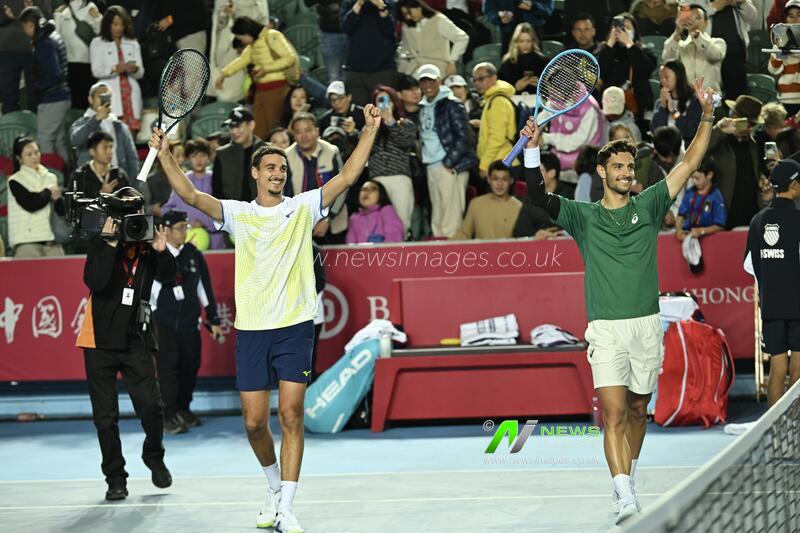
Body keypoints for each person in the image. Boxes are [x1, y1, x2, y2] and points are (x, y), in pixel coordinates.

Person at [148, 101, 384, 533]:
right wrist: (165, 154)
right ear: (256, 174)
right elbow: (189, 195)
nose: (277, 173)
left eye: (281, 168)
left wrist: (369, 130)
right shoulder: (239, 214)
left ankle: (288, 506)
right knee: (255, 423)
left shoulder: (304, 207)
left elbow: (348, 175)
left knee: (291, 415)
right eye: (270, 167)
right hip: (253, 329)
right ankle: (273, 488)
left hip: (295, 325)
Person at [522, 78, 717, 523]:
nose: (628, 172)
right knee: (612, 412)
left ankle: (626, 473)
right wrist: (532, 148)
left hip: (647, 326)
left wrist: (706, 114)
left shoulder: (648, 205)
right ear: (604, 173)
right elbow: (535, 196)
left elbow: (689, 161)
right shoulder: (582, 215)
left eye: (632, 166)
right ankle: (623, 492)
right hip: (606, 330)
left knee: (636, 410)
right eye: (620, 167)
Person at [75, 187, 175, 501]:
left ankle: (154, 455)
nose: (129, 223)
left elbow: (170, 278)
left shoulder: (146, 243)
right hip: (98, 341)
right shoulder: (99, 241)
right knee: (105, 417)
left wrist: (161, 250)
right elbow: (97, 283)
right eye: (122, 218)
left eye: (134, 216)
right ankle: (115, 478)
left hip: (136, 338)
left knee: (151, 405)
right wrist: (109, 243)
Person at [151, 210, 222, 434]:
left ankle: (183, 408)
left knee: (190, 367)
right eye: (180, 228)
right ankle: (168, 414)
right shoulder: (156, 255)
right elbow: (150, 292)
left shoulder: (193, 254)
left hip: (190, 324)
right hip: (164, 324)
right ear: (166, 231)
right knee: (168, 370)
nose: (184, 232)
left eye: (186, 227)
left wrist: (213, 318)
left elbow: (204, 287)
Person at [743, 159, 800, 405]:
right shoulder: (798, 219)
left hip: (771, 306)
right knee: (797, 372)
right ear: (795, 185)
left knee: (777, 370)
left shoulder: (757, 221)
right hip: (798, 306)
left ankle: (776, 435)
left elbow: (748, 265)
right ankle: (795, 433)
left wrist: (769, 281)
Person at [416, 63, 477, 237]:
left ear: (439, 81)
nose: (427, 85)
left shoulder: (451, 104)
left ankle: (452, 258)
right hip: (431, 165)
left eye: (431, 81)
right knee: (438, 216)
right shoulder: (422, 107)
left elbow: (465, 137)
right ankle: (438, 257)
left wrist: (449, 163)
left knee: (452, 219)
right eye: (423, 81)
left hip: (449, 165)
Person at [215, 16, 299, 140]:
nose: (242, 41)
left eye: (241, 37)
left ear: (247, 32)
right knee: (259, 131)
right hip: (261, 92)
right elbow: (241, 61)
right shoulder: (252, 47)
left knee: (274, 127)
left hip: (277, 89)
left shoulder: (272, 36)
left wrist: (266, 68)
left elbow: (289, 58)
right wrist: (223, 75)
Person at [19, 7, 72, 163]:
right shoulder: (53, 35)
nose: (25, 32)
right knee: (59, 141)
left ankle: (52, 178)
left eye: (24, 27)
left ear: (30, 24)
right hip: (62, 96)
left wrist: (37, 87)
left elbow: (54, 73)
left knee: (45, 140)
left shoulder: (44, 43)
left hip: (52, 99)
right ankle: (67, 179)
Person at [286, 112, 348, 243]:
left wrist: (328, 219)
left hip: (332, 225)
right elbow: (284, 194)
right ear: (294, 135)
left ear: (317, 131)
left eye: (308, 130)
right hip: (298, 227)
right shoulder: (286, 157)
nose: (304, 136)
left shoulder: (331, 151)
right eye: (298, 132)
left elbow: (342, 187)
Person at [707, 94, 763, 229]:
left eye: (752, 125)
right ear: (734, 117)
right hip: (726, 209)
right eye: (746, 123)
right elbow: (698, 151)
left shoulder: (754, 145)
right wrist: (719, 130)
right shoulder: (720, 140)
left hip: (751, 211)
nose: (749, 128)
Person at [368, 85, 417, 234]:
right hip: (376, 180)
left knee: (401, 222)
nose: (385, 104)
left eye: (389, 100)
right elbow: (365, 149)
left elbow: (406, 142)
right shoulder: (370, 127)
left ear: (395, 102)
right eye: (380, 100)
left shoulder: (405, 123)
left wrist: (390, 121)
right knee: (375, 223)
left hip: (399, 179)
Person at [162, 139, 227, 250]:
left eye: (202, 155)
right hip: (189, 240)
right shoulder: (183, 180)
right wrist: (185, 224)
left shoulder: (216, 179)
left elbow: (226, 210)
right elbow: (167, 210)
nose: (199, 160)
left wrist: (206, 224)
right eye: (194, 156)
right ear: (188, 158)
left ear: (208, 157)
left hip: (216, 241)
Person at [90, 5, 144, 133]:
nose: (119, 28)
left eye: (122, 25)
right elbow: (96, 70)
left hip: (130, 94)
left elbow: (141, 73)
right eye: (115, 24)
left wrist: (134, 69)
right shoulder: (97, 43)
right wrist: (114, 68)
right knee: (111, 134)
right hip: (110, 94)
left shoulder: (133, 43)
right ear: (108, 25)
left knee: (132, 135)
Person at [596, 13, 657, 128]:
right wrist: (609, 45)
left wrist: (629, 44)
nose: (622, 31)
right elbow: (598, 71)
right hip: (609, 109)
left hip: (637, 109)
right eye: (618, 28)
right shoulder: (605, 51)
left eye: (627, 28)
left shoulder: (644, 51)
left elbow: (644, 69)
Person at [7, 137, 64, 258]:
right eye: (29, 154)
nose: (34, 157)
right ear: (19, 158)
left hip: (51, 239)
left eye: (36, 152)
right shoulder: (15, 180)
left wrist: (58, 199)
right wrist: (48, 191)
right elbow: (30, 204)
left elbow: (60, 210)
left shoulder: (51, 177)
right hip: (26, 242)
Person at [71, 82, 140, 181]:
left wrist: (133, 185)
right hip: (92, 182)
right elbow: (77, 140)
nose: (104, 99)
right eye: (101, 96)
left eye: (108, 96)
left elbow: (132, 159)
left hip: (118, 181)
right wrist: (96, 119)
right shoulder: (81, 123)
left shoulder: (120, 126)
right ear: (91, 99)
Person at [340, 0, 399, 106]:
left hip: (382, 71)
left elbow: (390, 29)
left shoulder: (389, 3)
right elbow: (345, 26)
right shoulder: (349, 3)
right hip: (355, 71)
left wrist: (381, 7)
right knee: (358, 113)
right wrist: (359, 4)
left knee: (383, 110)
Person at [209, 0, 269, 102]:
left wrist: (236, 13)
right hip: (222, 49)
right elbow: (217, 24)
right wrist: (223, 14)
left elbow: (260, 19)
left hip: (244, 49)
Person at [451, 160, 522, 240]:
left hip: (510, 251)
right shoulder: (476, 204)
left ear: (511, 181)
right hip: (481, 252)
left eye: (504, 179)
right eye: (495, 179)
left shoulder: (519, 207)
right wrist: (445, 249)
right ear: (489, 180)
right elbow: (464, 233)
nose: (499, 183)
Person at [662, 4, 726, 92]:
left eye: (698, 18)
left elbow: (714, 56)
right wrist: (677, 32)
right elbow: (667, 60)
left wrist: (696, 34)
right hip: (688, 96)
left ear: (706, 23)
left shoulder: (718, 42)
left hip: (712, 96)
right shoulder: (681, 45)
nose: (694, 21)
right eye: (690, 18)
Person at [396, 0, 469, 77]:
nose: (408, 17)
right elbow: (404, 49)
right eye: (405, 14)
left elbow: (462, 38)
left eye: (409, 12)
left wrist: (452, 61)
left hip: (437, 72)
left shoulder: (438, 20)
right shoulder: (407, 25)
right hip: (413, 73)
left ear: (418, 7)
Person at [53, 0, 102, 110]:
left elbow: (101, 33)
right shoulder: (63, 10)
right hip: (68, 61)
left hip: (86, 61)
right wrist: (57, 16)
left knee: (85, 97)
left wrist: (97, 18)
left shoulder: (90, 7)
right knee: (72, 97)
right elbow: (57, 34)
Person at [473, 62, 518, 179]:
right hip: (501, 162)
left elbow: (497, 139)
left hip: (500, 166)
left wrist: (484, 165)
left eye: (481, 79)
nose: (477, 83)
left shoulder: (498, 102)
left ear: (494, 78)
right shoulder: (494, 99)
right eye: (475, 80)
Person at [513, 149, 570, 238]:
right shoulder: (530, 198)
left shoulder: (569, 196)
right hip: (539, 248)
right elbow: (519, 231)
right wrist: (537, 232)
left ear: (551, 173)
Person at [212, 106, 265, 201]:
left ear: (251, 125)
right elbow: (217, 192)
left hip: (265, 213)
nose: (234, 131)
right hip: (232, 213)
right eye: (231, 127)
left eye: (238, 126)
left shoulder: (268, 152)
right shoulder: (222, 154)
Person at [708, 0, 758, 100]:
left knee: (737, 98)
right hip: (708, 54)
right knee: (713, 98)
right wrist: (714, 7)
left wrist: (742, 2)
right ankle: (715, 114)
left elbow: (752, 17)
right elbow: (687, 15)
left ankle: (736, 114)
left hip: (735, 53)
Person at [651, 60, 703, 147]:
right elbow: (655, 131)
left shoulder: (694, 102)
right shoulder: (660, 103)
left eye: (666, 77)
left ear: (678, 77)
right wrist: (663, 107)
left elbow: (689, 131)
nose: (663, 81)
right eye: (661, 77)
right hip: (664, 150)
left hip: (685, 150)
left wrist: (674, 112)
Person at [674, 156, 727, 241]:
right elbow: (680, 217)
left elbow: (720, 226)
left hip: (709, 239)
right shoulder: (689, 193)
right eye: (692, 178)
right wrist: (679, 231)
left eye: (697, 178)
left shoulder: (716, 196)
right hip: (688, 236)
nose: (694, 181)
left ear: (709, 175)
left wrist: (702, 231)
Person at [497, 22, 548, 95]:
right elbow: (500, 87)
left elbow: (550, 90)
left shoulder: (542, 60)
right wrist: (515, 88)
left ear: (533, 42)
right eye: (521, 41)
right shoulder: (508, 62)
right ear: (516, 42)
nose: (525, 45)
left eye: (528, 41)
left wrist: (541, 86)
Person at [768, 0, 800, 116]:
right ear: (786, 19)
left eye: (799, 15)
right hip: (786, 98)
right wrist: (780, 52)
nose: (795, 19)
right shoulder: (780, 39)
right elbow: (773, 69)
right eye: (790, 16)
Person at [306, 0, 347, 83]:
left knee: (354, 76)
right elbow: (308, 3)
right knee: (334, 77)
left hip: (353, 30)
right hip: (329, 32)